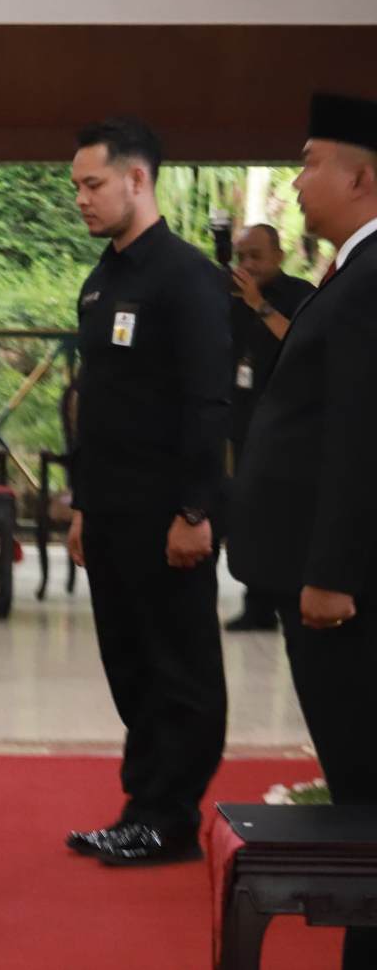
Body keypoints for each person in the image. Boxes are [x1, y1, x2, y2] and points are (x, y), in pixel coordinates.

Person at [230, 91, 377, 970]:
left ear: (361, 177)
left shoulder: (369, 281)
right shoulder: (348, 274)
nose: (297, 178)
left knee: (364, 788)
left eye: (312, 161)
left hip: (340, 591)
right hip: (319, 576)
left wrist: (331, 571)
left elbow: (361, 439)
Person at [63, 118, 230, 867]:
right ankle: (142, 804)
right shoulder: (102, 280)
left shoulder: (187, 276)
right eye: (76, 187)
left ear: (138, 180)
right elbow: (92, 399)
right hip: (112, 513)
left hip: (170, 516)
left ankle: (171, 816)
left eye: (93, 184)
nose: (82, 200)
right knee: (129, 661)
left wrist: (196, 509)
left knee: (179, 666)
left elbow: (207, 401)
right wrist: (81, 504)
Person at [222, 222, 314, 632]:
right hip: (242, 418)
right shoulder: (230, 297)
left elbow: (302, 346)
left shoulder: (303, 296)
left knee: (280, 517)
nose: (248, 264)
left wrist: (259, 304)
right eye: (242, 256)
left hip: (288, 426)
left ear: (279, 255)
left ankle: (287, 600)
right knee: (246, 515)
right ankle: (255, 605)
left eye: (256, 256)